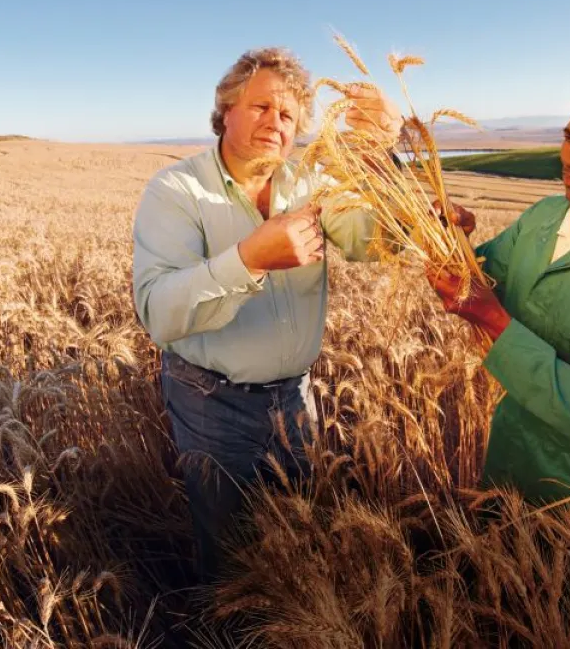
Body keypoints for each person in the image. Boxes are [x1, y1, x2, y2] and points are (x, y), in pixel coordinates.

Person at [132, 46, 403, 581]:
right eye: (261, 107)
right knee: (228, 553)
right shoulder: (176, 190)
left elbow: (374, 241)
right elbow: (159, 314)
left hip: (297, 398)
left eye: (287, 115)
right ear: (225, 110)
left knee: (299, 537)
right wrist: (249, 259)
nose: (275, 123)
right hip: (209, 400)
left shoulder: (311, 184)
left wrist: (383, 157)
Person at [430, 72, 570, 605]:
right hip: (507, 474)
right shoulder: (545, 216)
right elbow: (483, 279)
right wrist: (452, 242)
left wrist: (495, 325)